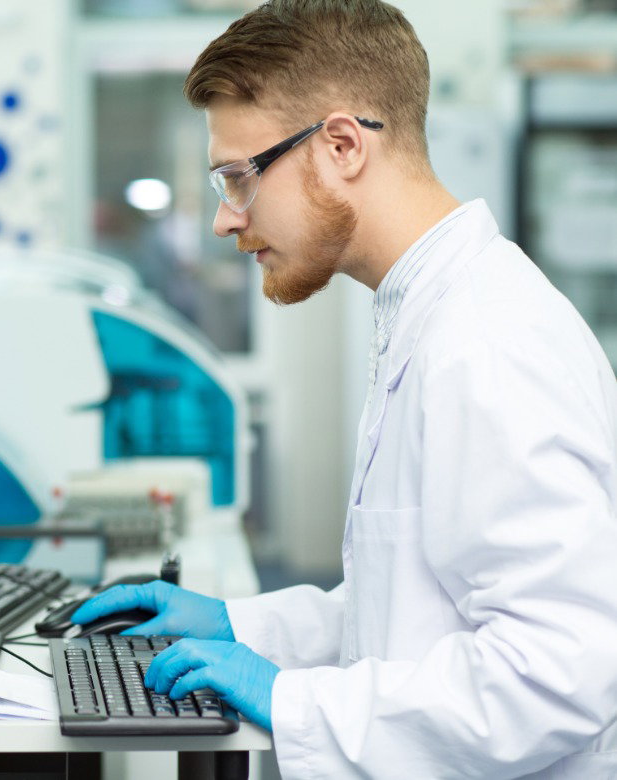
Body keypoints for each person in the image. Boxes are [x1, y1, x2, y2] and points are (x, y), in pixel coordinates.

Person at [70, 1, 617, 776]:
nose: (227, 220)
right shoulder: (429, 310)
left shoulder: (485, 343)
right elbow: (418, 610)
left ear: (340, 145)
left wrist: (291, 699)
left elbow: (556, 676)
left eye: (238, 177)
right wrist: (242, 627)